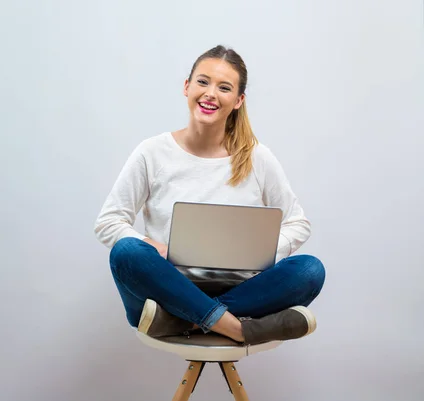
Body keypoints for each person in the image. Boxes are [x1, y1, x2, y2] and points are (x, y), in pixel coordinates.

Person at [93, 45, 325, 345]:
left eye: (224, 87)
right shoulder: (152, 152)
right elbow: (109, 221)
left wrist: (261, 253)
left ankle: (184, 321)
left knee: (309, 270)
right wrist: (156, 247)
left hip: (237, 288)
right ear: (187, 87)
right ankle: (239, 329)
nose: (211, 94)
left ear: (239, 100)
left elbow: (298, 223)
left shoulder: (256, 157)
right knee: (126, 252)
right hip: (166, 287)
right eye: (203, 82)